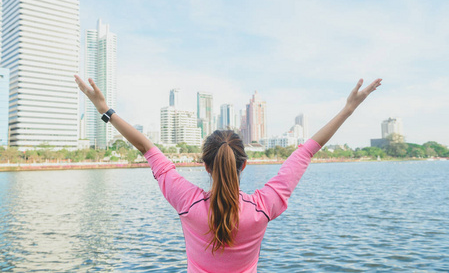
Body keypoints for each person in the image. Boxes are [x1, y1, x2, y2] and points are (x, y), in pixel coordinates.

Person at [75, 75, 382, 273]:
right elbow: (306, 151)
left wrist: (106, 109)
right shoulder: (262, 207)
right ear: (244, 164)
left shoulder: (187, 203)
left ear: (205, 166)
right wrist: (347, 110)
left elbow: (147, 148)